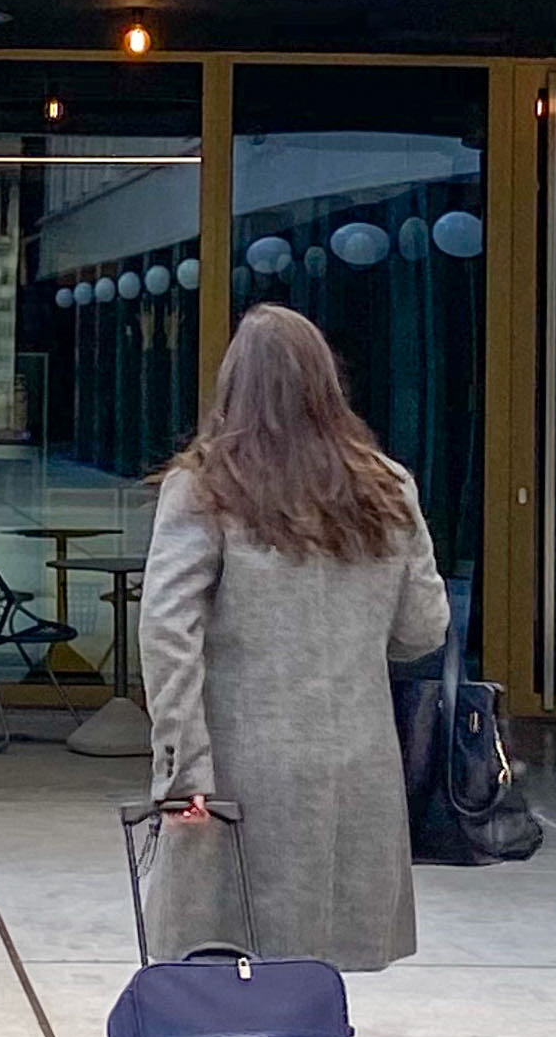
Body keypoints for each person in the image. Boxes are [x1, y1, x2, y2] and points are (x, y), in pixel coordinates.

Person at [137, 304, 451, 971]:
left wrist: (182, 770)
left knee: (224, 960)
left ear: (233, 386)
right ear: (326, 384)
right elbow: (423, 630)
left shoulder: (205, 488)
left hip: (237, 768)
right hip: (357, 768)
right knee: (317, 967)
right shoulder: (388, 487)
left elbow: (167, 630)